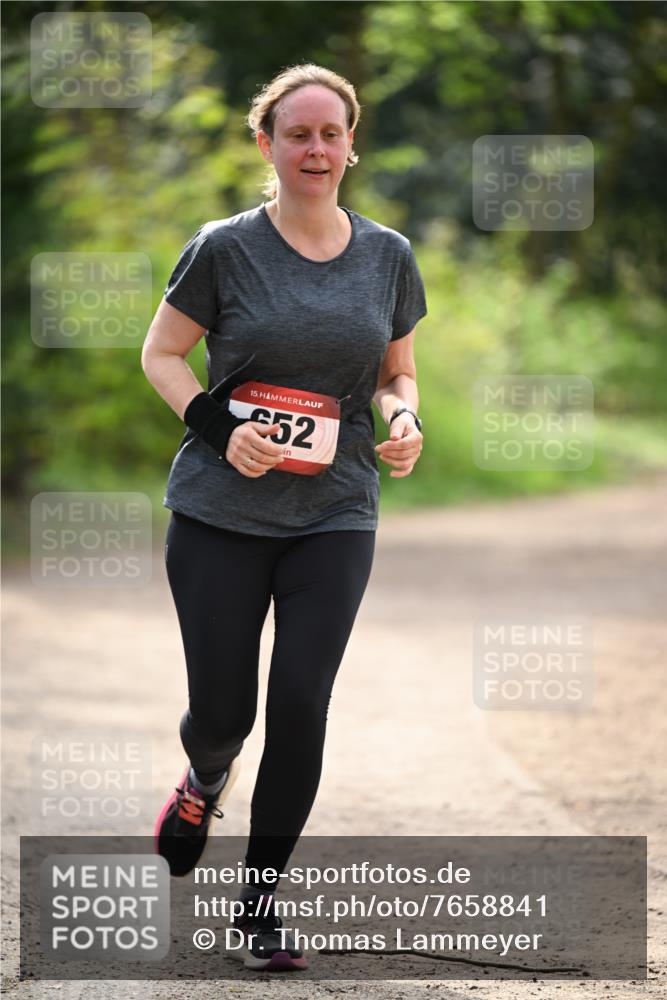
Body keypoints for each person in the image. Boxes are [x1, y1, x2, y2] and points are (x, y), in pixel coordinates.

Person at [141, 62, 427, 973]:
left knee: (300, 700)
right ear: (266, 145)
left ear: (351, 145)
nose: (315, 148)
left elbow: (394, 370)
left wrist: (405, 416)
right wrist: (220, 428)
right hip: (220, 514)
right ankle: (205, 776)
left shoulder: (387, 254)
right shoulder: (224, 247)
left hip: (335, 510)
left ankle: (258, 907)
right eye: (296, 133)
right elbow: (162, 355)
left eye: (329, 133)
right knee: (223, 712)